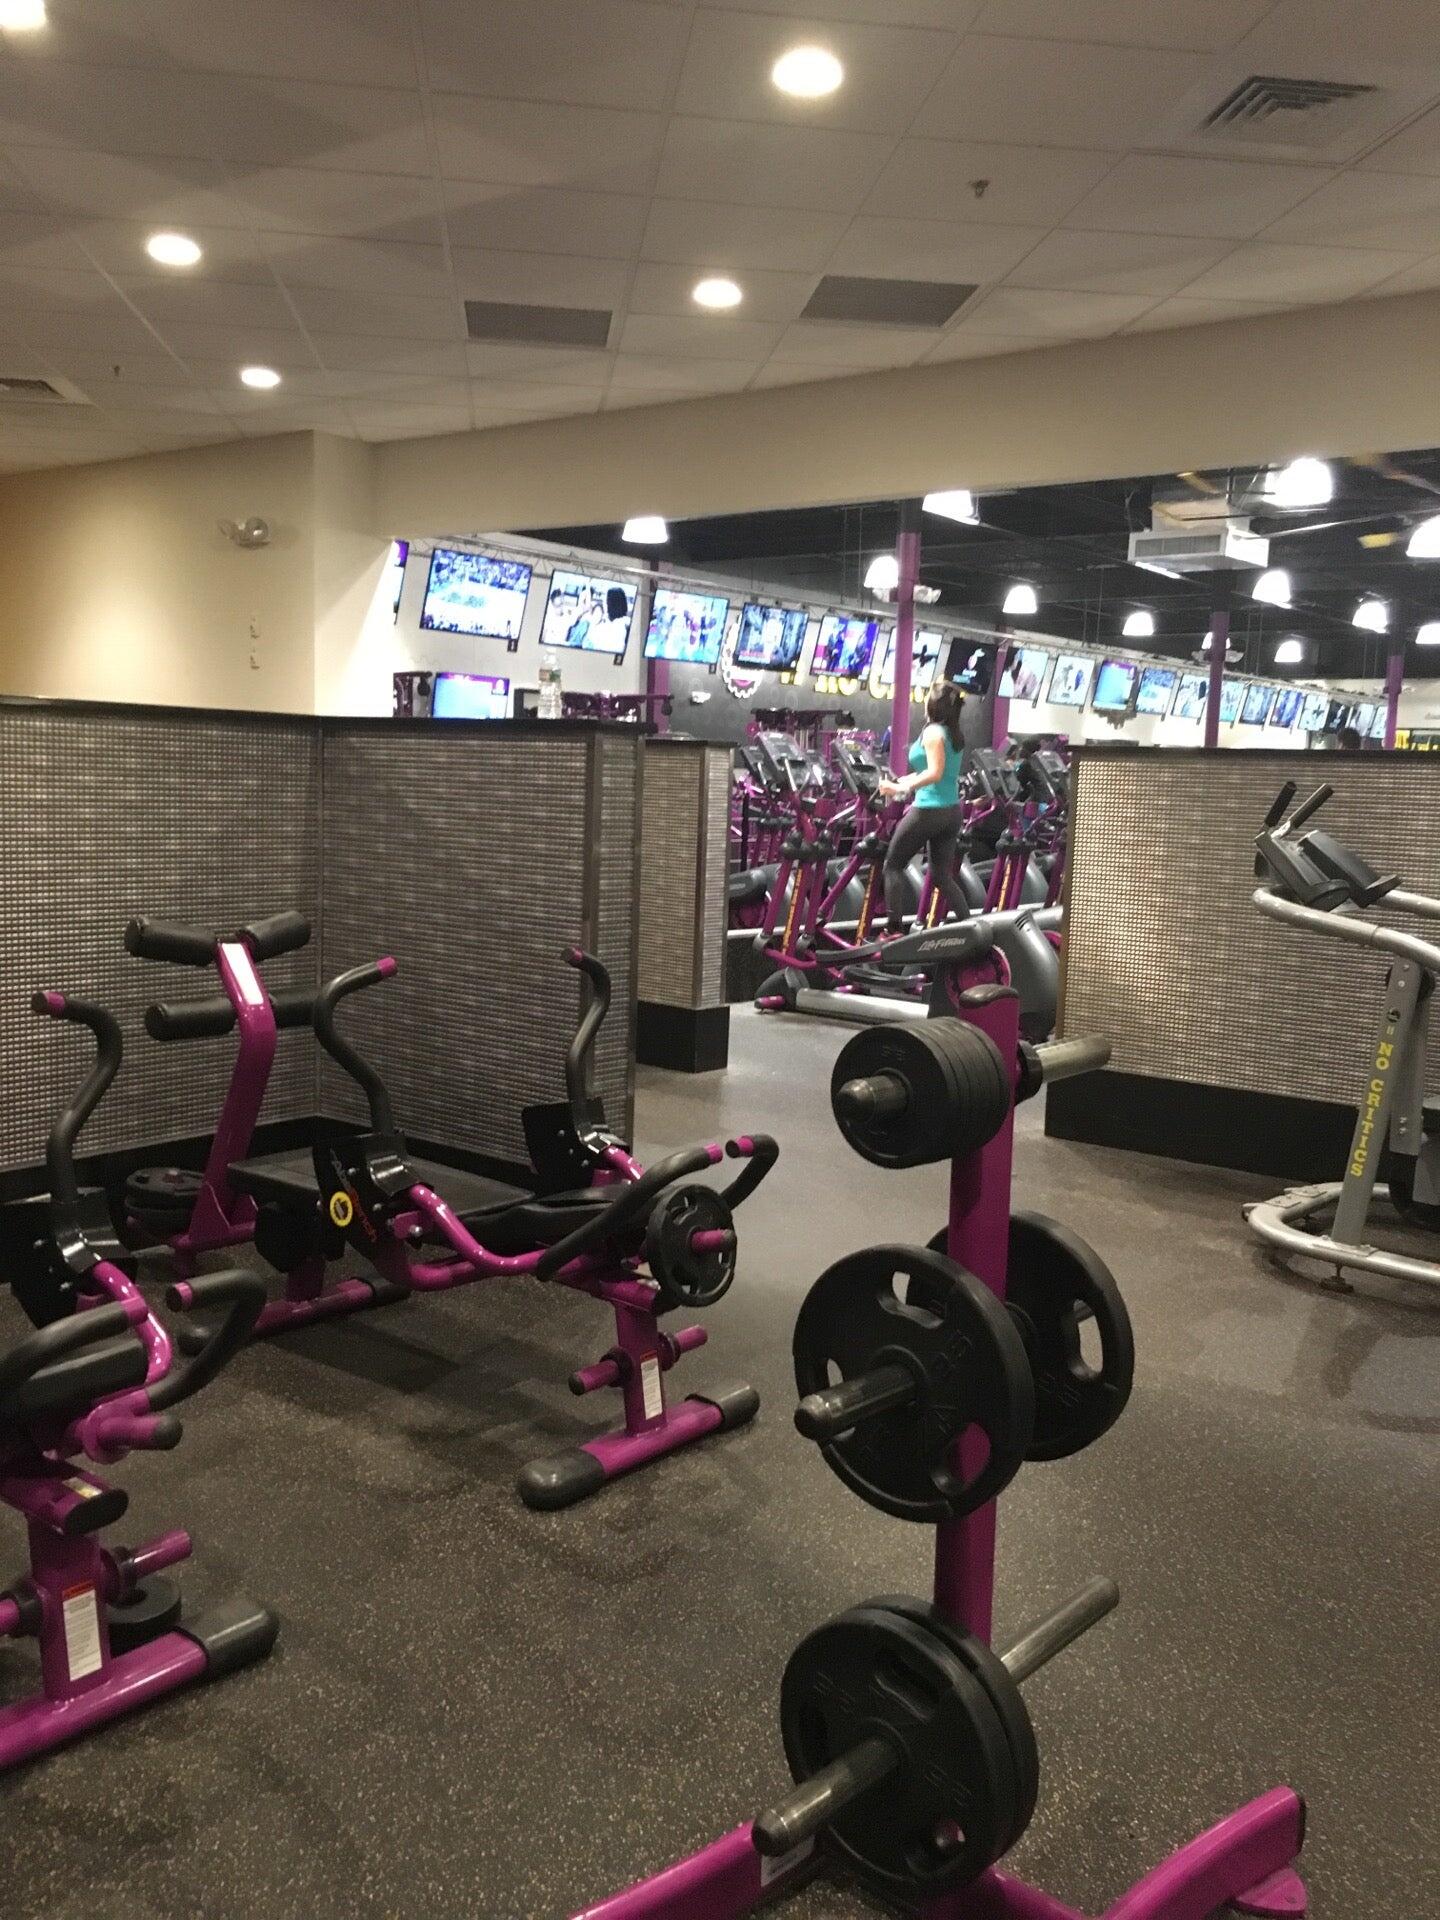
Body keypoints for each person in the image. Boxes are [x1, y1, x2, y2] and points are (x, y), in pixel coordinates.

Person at [878, 681, 972, 932]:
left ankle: (893, 932)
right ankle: (971, 927)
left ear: (932, 704)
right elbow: (934, 772)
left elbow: (935, 772)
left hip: (930, 810)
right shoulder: (953, 734)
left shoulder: (933, 732)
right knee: (941, 876)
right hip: (951, 812)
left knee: (893, 866)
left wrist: (900, 789)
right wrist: (902, 781)